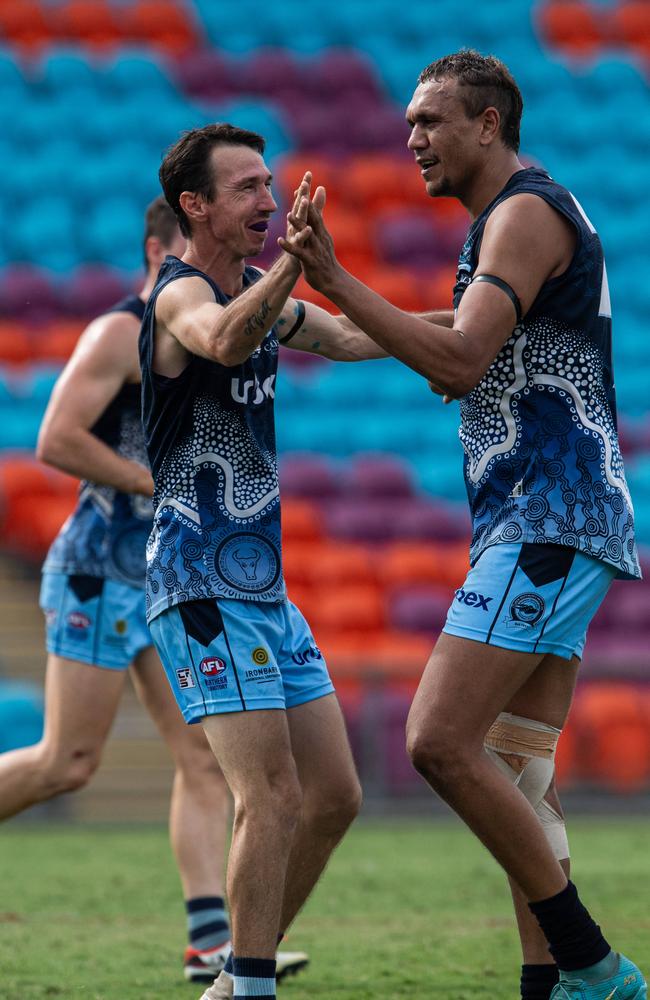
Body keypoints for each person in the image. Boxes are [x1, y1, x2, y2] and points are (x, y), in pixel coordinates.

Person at [281, 50, 647, 1000]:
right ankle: (551, 989)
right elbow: (391, 332)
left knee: (439, 739)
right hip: (549, 518)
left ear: (489, 123)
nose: (412, 140)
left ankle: (595, 965)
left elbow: (458, 361)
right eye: (407, 124)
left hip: (551, 514)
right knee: (521, 772)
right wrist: (286, 310)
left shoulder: (524, 215)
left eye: (431, 122)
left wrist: (336, 272)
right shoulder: (505, 225)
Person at [140, 123, 390, 1000]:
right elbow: (221, 340)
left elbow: (354, 337)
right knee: (272, 796)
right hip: (201, 583)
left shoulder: (263, 290)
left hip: (263, 588)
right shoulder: (177, 297)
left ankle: (234, 972)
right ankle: (248, 987)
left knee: (333, 795)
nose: (267, 199)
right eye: (244, 187)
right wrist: (293, 264)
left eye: (268, 183)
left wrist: (485, 325)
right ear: (194, 207)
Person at [0, 198, 234, 987]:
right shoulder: (116, 332)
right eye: (187, 251)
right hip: (100, 567)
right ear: (156, 248)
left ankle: (210, 943)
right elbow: (55, 438)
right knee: (68, 762)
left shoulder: (203, 335)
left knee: (204, 757)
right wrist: (152, 481)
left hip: (164, 572)